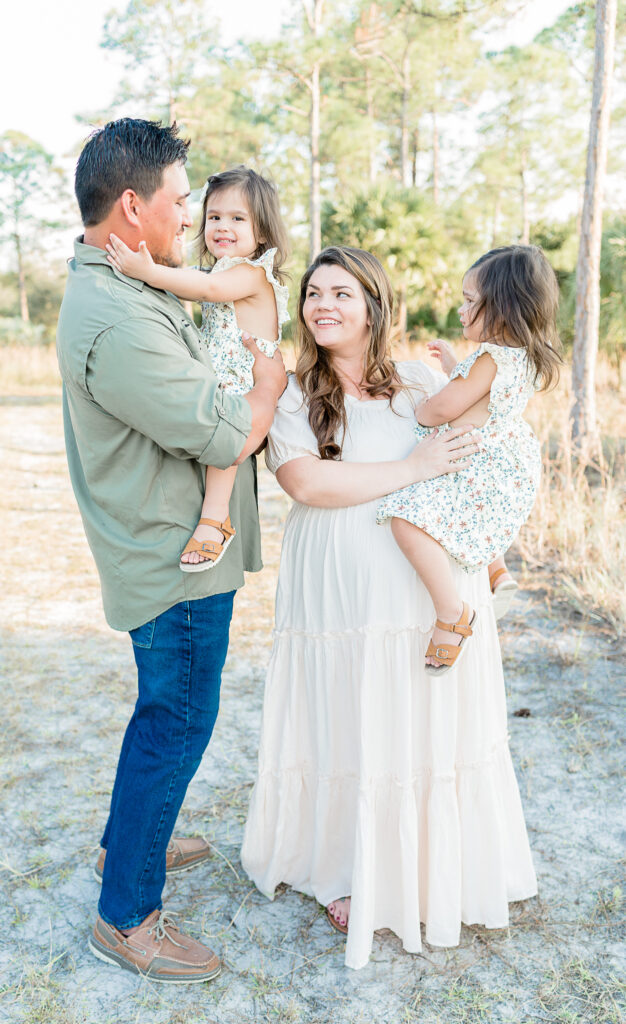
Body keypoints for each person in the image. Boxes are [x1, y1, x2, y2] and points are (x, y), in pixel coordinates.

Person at [240, 246, 538, 970]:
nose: (324, 305)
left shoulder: (419, 380)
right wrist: (409, 469)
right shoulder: (291, 389)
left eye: (342, 292)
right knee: (347, 716)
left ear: (374, 304)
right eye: (313, 293)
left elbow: (477, 452)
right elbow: (306, 482)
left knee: (425, 721)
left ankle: (436, 868)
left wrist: (488, 547)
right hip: (336, 589)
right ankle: (348, 867)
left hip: (424, 581)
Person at [56, 118, 286, 983]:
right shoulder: (118, 318)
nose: (191, 217)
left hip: (173, 538)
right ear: (130, 205)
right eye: (182, 201)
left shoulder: (129, 285)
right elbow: (226, 427)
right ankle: (127, 918)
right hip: (170, 555)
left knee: (162, 711)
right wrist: (269, 381)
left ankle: (132, 843)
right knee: (179, 718)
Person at [377, 245, 562, 675]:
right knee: (471, 520)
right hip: (506, 463)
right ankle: (496, 570)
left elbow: (443, 409)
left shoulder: (490, 358)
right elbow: (483, 396)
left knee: (407, 520)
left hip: (474, 462)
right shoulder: (521, 358)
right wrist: (456, 367)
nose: (460, 310)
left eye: (469, 301)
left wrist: (422, 409)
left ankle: (452, 614)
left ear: (503, 307)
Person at [105, 166, 289, 572]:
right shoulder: (220, 270)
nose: (223, 226)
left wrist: (148, 271)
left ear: (262, 233)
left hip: (246, 380)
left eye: (238, 219)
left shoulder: (253, 273)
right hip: (226, 376)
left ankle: (215, 519)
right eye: (215, 217)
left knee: (224, 444)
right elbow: (196, 281)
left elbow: (206, 290)